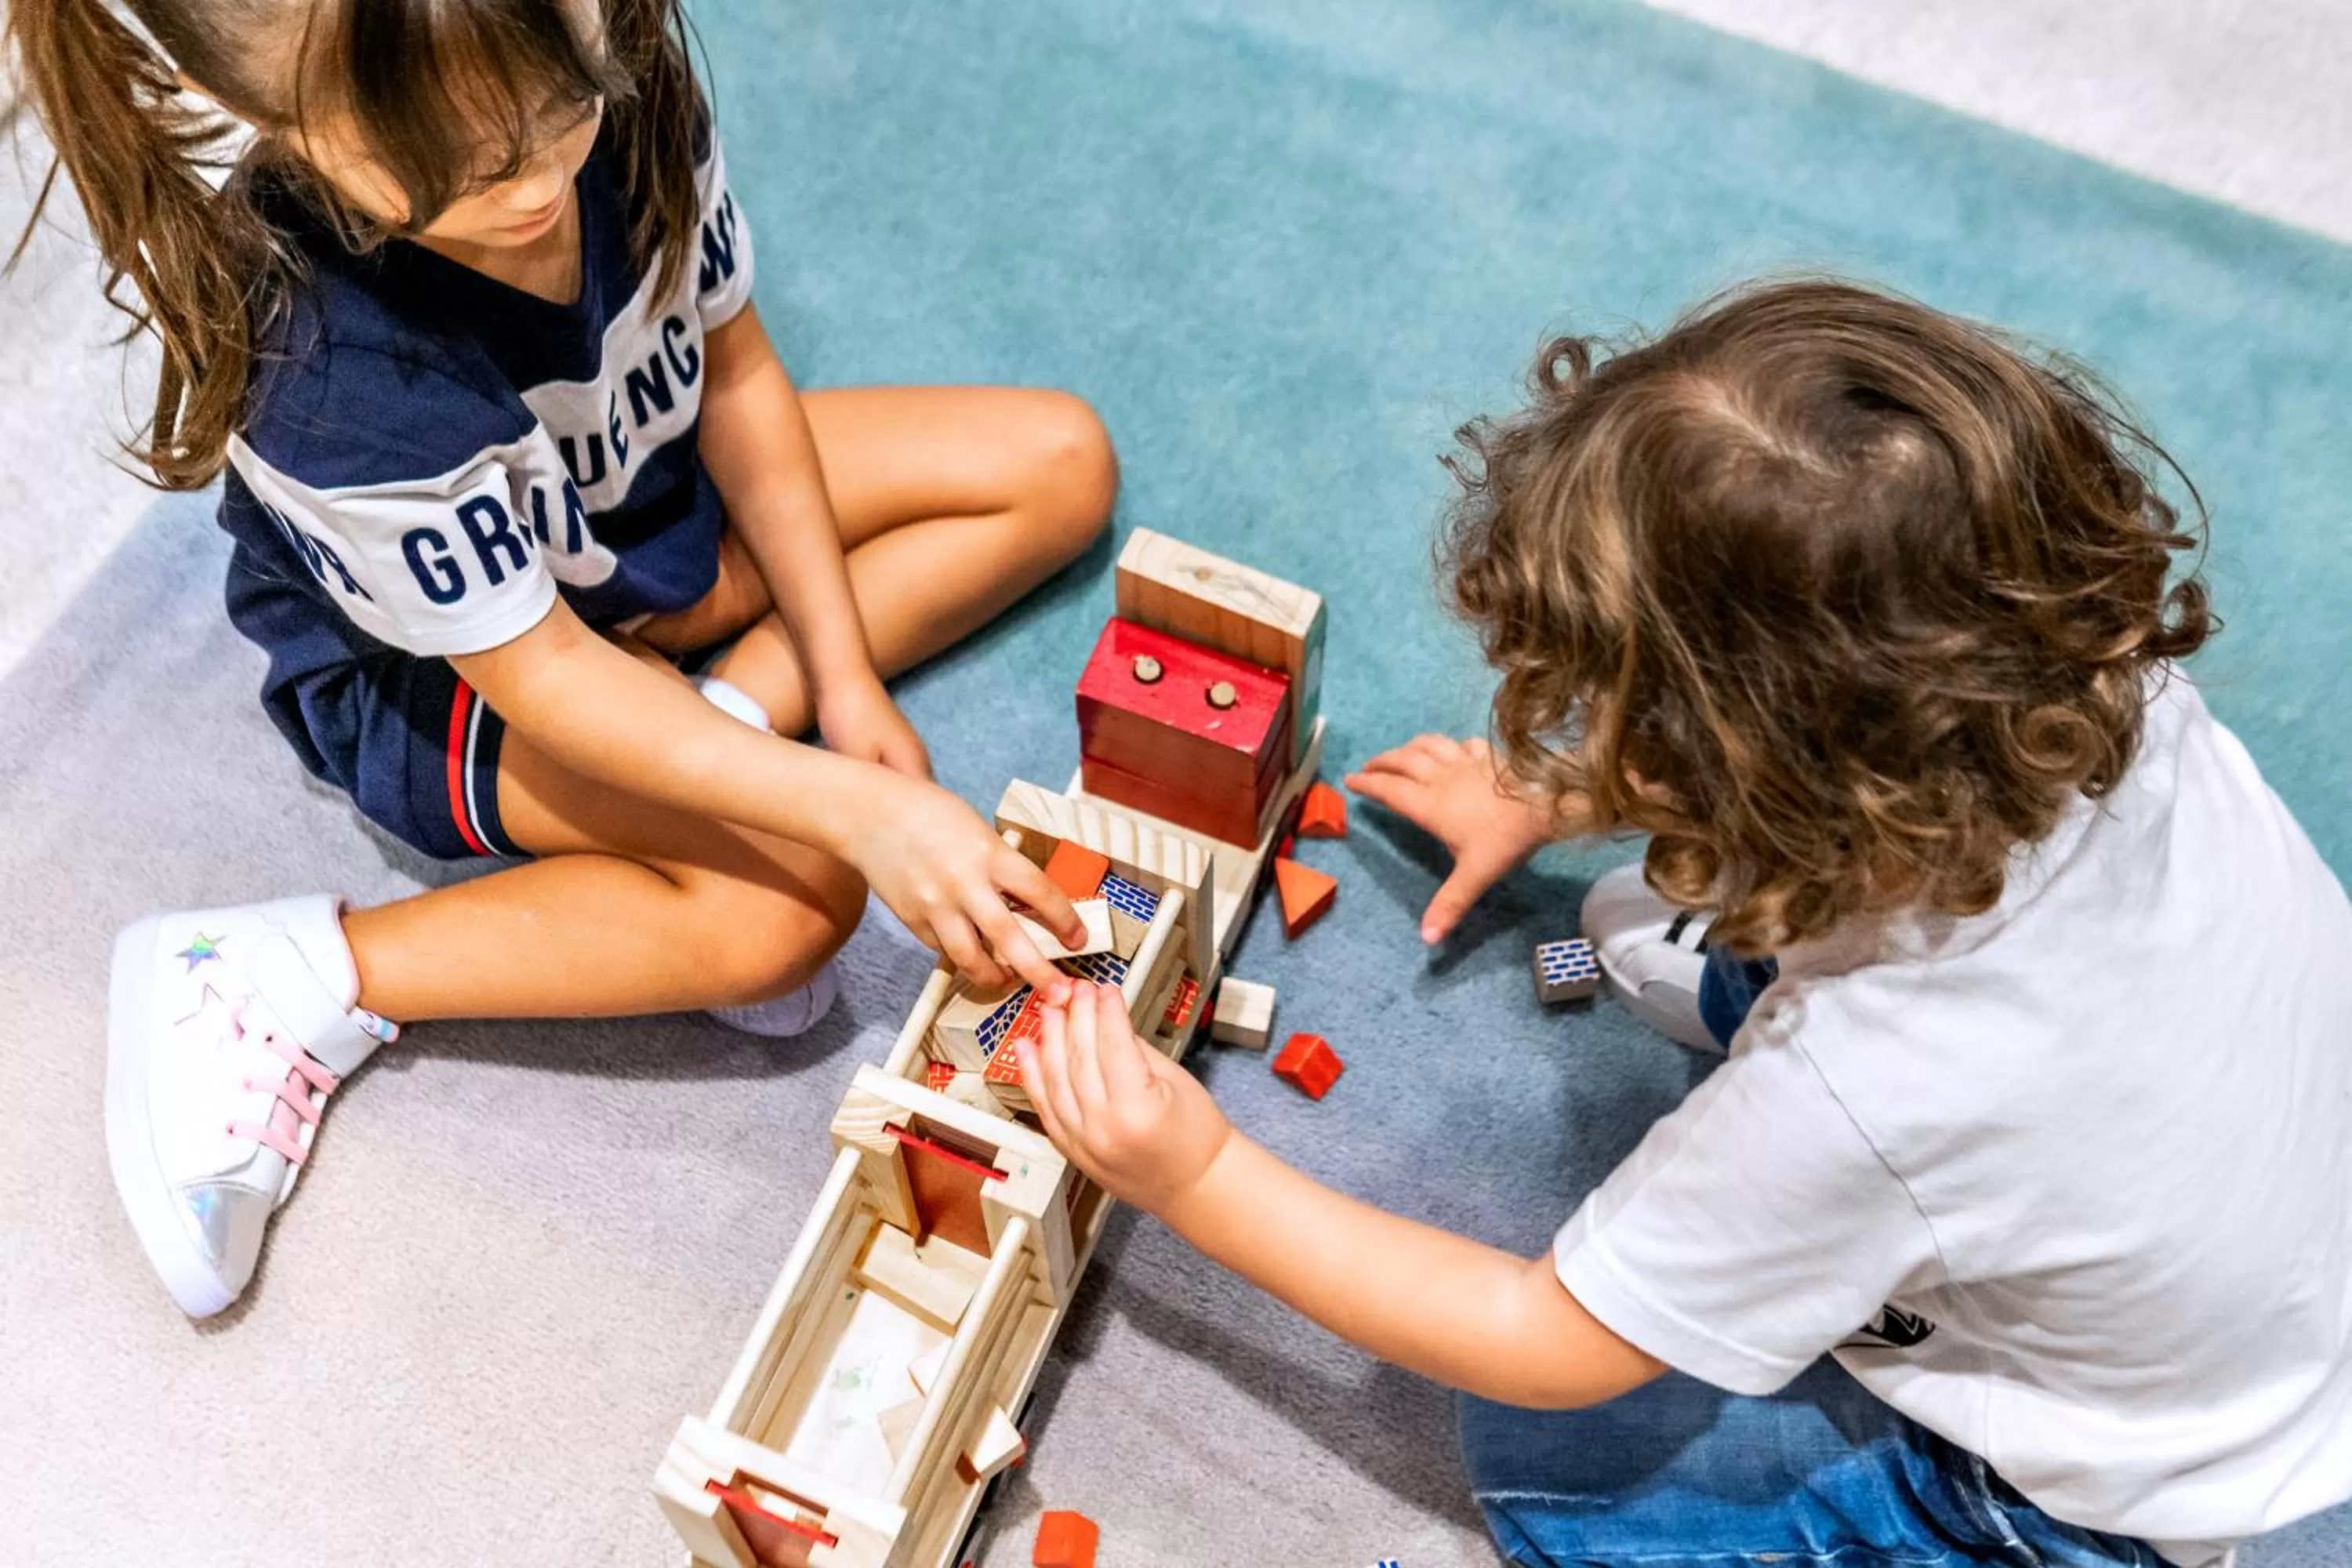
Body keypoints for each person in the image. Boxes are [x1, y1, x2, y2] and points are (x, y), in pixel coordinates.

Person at [1018, 281, 2352, 1566]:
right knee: (1622, 918)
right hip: (2245, 1218)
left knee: (1555, 1454)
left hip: (2105, 1496)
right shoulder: (2094, 685)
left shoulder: (1864, 1086)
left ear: (1745, 776)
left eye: (1615, 730)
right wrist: (1562, 795)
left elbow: (1540, 1336)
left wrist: (1195, 1175)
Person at [9, 0, 1109, 1319]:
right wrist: (858, 807)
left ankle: (727, 710)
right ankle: (289, 975)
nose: (538, 183)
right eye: (464, 171)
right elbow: (546, 679)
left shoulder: (608, 62)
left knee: (1056, 464)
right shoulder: (328, 375)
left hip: (633, 516)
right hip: (442, 679)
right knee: (795, 906)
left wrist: (841, 679)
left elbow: (739, 377)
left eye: (560, 114)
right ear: (269, 119)